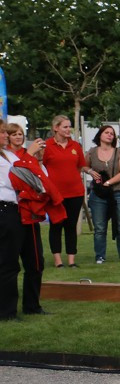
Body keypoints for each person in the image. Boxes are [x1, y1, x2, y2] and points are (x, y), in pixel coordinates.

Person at [5, 123, 61, 316]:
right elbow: (17, 178)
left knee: (36, 261)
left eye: (20, 134)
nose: (16, 137)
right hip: (12, 211)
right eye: (11, 134)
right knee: (10, 263)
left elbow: (39, 181)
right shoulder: (10, 158)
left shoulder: (19, 157)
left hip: (29, 212)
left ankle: (32, 306)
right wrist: (29, 156)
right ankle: (7, 310)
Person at [41, 115, 88, 269]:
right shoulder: (47, 146)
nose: (68, 130)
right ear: (56, 128)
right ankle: (57, 261)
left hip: (75, 192)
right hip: (55, 194)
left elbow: (80, 166)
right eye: (65, 127)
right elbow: (41, 167)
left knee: (70, 225)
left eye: (69, 127)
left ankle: (71, 260)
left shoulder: (75, 146)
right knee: (56, 225)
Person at [86, 125, 120, 265]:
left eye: (112, 134)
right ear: (100, 135)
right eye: (107, 132)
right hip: (99, 195)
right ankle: (100, 256)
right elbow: (82, 165)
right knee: (99, 228)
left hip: (118, 193)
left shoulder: (119, 152)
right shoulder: (92, 152)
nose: (110, 135)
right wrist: (89, 171)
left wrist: (108, 183)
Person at [0, 128, 22, 320]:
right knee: (6, 261)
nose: (6, 136)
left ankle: (8, 309)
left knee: (9, 262)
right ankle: (6, 311)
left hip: (10, 209)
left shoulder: (8, 155)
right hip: (3, 208)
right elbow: (14, 179)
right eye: (2, 133)